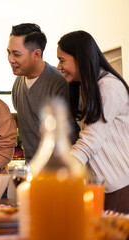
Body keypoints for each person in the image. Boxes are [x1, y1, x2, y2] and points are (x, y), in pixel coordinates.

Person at [57, 30, 129, 213]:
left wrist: (58, 171)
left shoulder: (109, 87)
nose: (58, 66)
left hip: (119, 187)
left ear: (80, 58)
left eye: (62, 60)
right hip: (99, 187)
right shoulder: (85, 87)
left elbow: (90, 139)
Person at [7, 23, 79, 161]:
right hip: (32, 167)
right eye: (9, 52)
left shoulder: (59, 83)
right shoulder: (17, 84)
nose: (10, 59)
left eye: (16, 54)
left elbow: (71, 134)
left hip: (58, 169)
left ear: (36, 54)